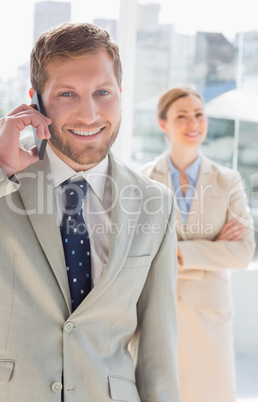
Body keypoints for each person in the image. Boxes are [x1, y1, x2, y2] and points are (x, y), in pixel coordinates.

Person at [0, 23, 181, 402]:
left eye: (102, 92)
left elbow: (157, 352)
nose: (89, 114)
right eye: (67, 94)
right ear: (36, 102)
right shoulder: (7, 183)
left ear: (120, 95)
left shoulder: (156, 203)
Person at [140, 86, 256, 402]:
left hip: (209, 314)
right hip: (155, 312)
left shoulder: (228, 180)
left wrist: (176, 250)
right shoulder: (142, 180)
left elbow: (243, 252)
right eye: (182, 116)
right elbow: (136, 249)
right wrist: (213, 249)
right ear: (163, 123)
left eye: (198, 114)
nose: (193, 123)